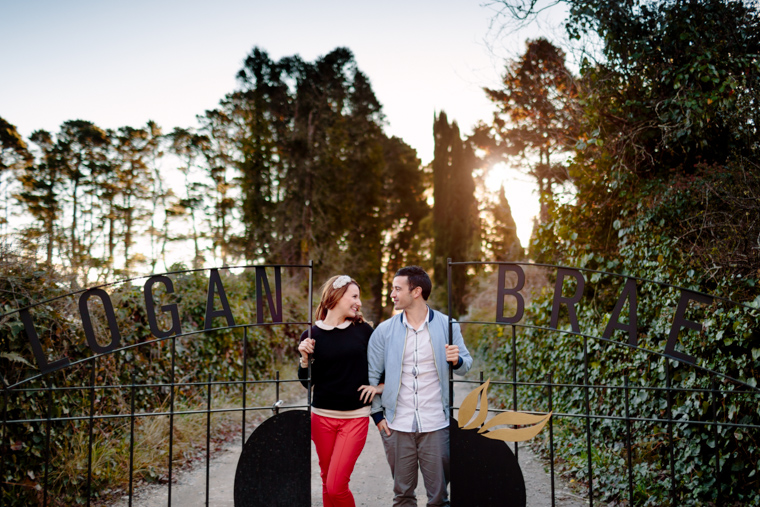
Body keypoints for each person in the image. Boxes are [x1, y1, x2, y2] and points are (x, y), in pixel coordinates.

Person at [367, 266, 473, 507]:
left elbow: (466, 365)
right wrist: (377, 415)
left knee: (438, 498)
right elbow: (372, 376)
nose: (392, 294)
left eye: (397, 289)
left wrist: (456, 360)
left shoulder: (448, 326)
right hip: (396, 425)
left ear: (416, 291)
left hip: (436, 424)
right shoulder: (384, 331)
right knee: (402, 496)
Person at [297, 275, 381, 507]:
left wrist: (379, 387)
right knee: (327, 481)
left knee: (336, 486)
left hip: (354, 420)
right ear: (336, 296)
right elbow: (307, 383)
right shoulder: (311, 335)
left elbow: (382, 370)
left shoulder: (364, 331)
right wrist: (304, 359)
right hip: (321, 419)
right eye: (354, 296)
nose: (359, 302)